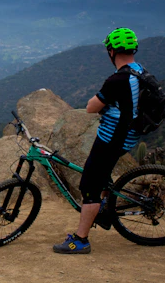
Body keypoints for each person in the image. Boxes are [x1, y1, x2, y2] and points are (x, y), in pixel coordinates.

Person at [53, 27, 143, 254]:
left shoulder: (118, 79)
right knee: (100, 176)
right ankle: (103, 208)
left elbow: (92, 107)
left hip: (113, 138)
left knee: (89, 186)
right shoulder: (139, 71)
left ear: (112, 51)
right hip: (128, 136)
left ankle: (80, 240)